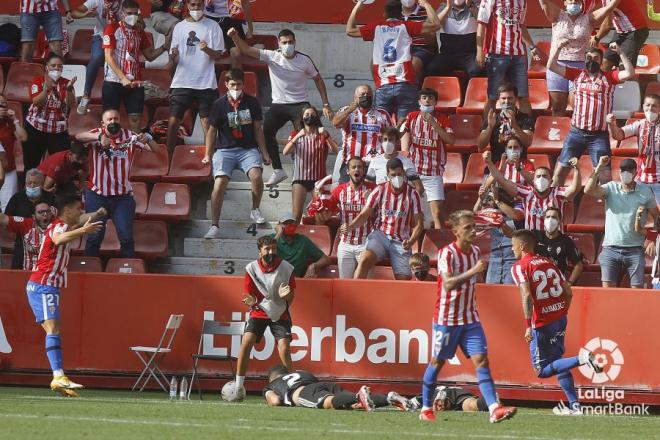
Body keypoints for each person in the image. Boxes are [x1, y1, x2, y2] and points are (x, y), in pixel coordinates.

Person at [420, 210, 516, 422]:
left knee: (481, 361)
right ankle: (426, 408)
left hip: (470, 319)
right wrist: (473, 271)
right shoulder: (447, 253)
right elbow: (448, 283)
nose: (473, 231)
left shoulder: (474, 251)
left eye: (474, 226)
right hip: (447, 320)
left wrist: (475, 272)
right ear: (455, 231)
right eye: (467, 228)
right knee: (437, 362)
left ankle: (494, 409)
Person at [511, 229, 603, 415]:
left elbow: (527, 296)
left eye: (513, 246)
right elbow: (568, 291)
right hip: (559, 318)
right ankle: (575, 406)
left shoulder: (520, 266)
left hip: (541, 323)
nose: (512, 250)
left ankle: (583, 358)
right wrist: (563, 311)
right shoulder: (549, 263)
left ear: (521, 246)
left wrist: (528, 326)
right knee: (558, 362)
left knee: (542, 370)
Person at [227, 27, 334, 187]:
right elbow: (246, 49)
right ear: (279, 43)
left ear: (295, 42)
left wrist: (325, 104)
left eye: (291, 42)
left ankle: (315, 172)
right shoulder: (272, 56)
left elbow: (318, 79)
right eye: (284, 42)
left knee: (311, 134)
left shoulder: (304, 60)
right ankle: (278, 170)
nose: (288, 45)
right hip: (278, 104)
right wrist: (235, 36)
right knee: (265, 132)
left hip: (300, 104)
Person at [26, 193, 103, 396]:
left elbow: (80, 220)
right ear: (67, 210)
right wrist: (84, 230)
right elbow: (59, 239)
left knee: (54, 330)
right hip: (44, 284)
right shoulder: (59, 227)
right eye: (78, 208)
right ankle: (58, 376)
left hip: (46, 286)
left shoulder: (64, 224)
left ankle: (59, 377)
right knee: (53, 329)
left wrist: (97, 215)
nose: (80, 211)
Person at [547, 40, 635, 187]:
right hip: (576, 132)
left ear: (601, 61)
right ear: (585, 60)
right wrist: (558, 48)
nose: (592, 61)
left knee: (605, 177)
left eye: (596, 59)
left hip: (598, 136)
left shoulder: (609, 77)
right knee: (560, 172)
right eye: (589, 58)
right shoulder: (576, 74)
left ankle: (607, 210)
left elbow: (630, 73)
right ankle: (552, 206)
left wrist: (620, 53)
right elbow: (551, 66)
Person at [75, 109, 160, 257]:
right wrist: (99, 136)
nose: (113, 122)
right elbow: (78, 136)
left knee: (126, 237)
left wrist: (148, 139)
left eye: (116, 119)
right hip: (97, 195)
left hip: (122, 197)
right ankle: (88, 270)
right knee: (94, 237)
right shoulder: (97, 133)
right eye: (110, 120)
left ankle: (129, 272)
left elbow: (155, 150)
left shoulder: (130, 136)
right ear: (103, 123)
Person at [202, 68, 270, 238]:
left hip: (248, 149)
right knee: (219, 184)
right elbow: (211, 131)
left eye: (239, 84)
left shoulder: (252, 102)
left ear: (243, 84)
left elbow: (257, 129)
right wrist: (207, 154)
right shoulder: (218, 104)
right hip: (225, 150)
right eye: (232, 84)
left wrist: (265, 152)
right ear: (226, 85)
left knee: (256, 175)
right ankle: (214, 225)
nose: (236, 87)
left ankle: (255, 209)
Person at [346, 0, 441, 120]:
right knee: (404, 126)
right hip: (405, 83)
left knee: (381, 127)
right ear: (401, 14)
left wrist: (357, 7)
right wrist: (427, 5)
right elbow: (436, 24)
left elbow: (349, 30)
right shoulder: (406, 26)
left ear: (384, 14)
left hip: (384, 85)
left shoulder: (376, 27)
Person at [343, 158, 424, 280]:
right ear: (388, 176)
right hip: (381, 235)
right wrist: (350, 226)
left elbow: (419, 224)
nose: (397, 177)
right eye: (393, 175)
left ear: (403, 173)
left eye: (399, 174)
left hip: (401, 241)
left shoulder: (413, 194)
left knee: (404, 279)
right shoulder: (379, 190)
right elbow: (364, 214)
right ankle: (356, 293)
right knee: (364, 261)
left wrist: (411, 241)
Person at [584, 156, 658, 288]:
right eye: (623, 170)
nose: (625, 173)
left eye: (629, 170)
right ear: (619, 172)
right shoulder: (611, 188)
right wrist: (599, 167)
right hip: (610, 248)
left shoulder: (645, 192)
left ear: (635, 172)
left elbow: (657, 217)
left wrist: (652, 239)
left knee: (637, 291)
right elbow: (588, 190)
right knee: (607, 292)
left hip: (635, 249)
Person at [234, 236, 296, 395]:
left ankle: (291, 388)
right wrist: (249, 300)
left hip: (279, 312)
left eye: (274, 249)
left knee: (285, 347)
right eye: (267, 249)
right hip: (259, 310)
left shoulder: (286, 268)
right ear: (259, 252)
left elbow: (291, 297)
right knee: (246, 341)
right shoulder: (251, 268)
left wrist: (287, 295)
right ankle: (239, 386)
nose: (271, 252)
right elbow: (248, 296)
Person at [538, 0, 622, 116]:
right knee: (557, 107)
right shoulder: (558, 14)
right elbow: (544, 3)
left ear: (582, 3)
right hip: (557, 66)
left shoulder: (589, 18)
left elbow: (610, 6)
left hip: (579, 67)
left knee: (577, 105)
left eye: (577, 1)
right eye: (571, 1)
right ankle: (559, 133)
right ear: (565, 2)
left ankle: (577, 132)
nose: (574, 3)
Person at [166, 0, 225, 153]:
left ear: (203, 6)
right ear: (187, 5)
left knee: (208, 125)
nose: (196, 8)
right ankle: (168, 161)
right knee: (173, 123)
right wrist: (174, 56)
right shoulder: (179, 27)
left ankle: (209, 165)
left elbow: (218, 55)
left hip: (206, 84)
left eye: (199, 5)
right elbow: (174, 58)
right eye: (193, 5)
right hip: (181, 83)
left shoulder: (213, 26)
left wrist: (207, 50)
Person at [102, 0, 170, 133]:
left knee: (136, 120)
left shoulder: (140, 32)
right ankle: (110, 150)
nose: (132, 16)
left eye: (135, 13)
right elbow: (108, 56)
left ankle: (135, 150)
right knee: (110, 121)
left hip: (135, 82)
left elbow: (150, 56)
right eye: (128, 13)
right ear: (122, 13)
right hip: (113, 81)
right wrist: (122, 78)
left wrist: (165, 46)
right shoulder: (112, 28)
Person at [484, 151, 581, 231]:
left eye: (545, 176)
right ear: (533, 181)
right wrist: (489, 162)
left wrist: (577, 169)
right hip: (533, 242)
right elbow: (502, 180)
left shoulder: (557, 193)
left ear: (551, 181)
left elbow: (575, 188)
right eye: (538, 176)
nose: (541, 179)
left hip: (555, 242)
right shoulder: (526, 192)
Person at [401, 88, 455, 229]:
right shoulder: (412, 116)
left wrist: (434, 123)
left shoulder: (443, 118)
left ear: (435, 101)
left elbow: (450, 139)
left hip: (433, 173)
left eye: (430, 98)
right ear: (419, 101)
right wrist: (405, 150)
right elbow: (402, 133)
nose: (427, 100)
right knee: (407, 211)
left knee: (437, 213)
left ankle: (439, 246)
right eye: (424, 97)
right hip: (413, 172)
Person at [476, 0, 541, 116]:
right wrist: (479, 51)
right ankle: (487, 130)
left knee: (523, 96)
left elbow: (521, 25)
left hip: (518, 54)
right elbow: (481, 24)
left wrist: (532, 47)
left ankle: (526, 128)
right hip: (496, 54)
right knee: (493, 97)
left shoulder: (522, 2)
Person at [263, 365, 414, 411]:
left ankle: (358, 396)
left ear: (272, 378)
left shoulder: (272, 385)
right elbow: (314, 382)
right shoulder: (302, 372)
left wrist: (269, 396)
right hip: (321, 384)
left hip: (303, 392)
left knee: (329, 402)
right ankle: (389, 398)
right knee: (355, 404)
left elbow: (275, 401)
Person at [282, 106, 339, 223]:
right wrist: (298, 136)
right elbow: (285, 152)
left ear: (317, 118)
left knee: (319, 214)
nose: (310, 117)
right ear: (302, 118)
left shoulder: (322, 134)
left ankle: (318, 240)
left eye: (312, 115)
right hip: (299, 178)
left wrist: (327, 135)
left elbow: (335, 150)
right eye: (307, 115)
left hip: (319, 180)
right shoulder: (295, 133)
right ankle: (294, 238)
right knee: (296, 214)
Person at [22, 53, 75, 175]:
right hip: (36, 128)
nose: (56, 69)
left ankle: (54, 190)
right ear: (46, 67)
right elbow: (37, 102)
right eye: (53, 65)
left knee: (60, 166)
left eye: (60, 66)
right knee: (31, 165)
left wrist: (69, 90)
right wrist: (46, 89)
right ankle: (29, 190)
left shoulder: (66, 83)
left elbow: (70, 104)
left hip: (58, 131)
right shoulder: (38, 81)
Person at [323, 157, 375, 279]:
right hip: (346, 244)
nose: (357, 169)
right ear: (348, 171)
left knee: (366, 284)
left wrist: (369, 202)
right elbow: (325, 217)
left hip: (366, 243)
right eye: (353, 167)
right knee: (345, 283)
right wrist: (320, 205)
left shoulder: (372, 190)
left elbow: (377, 218)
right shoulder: (339, 190)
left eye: (360, 167)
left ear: (364, 171)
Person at [70, 0, 123, 115]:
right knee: (97, 57)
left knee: (121, 62)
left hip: (122, 37)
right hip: (101, 35)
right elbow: (74, 13)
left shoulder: (125, 2)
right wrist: (85, 14)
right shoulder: (96, 1)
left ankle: (123, 97)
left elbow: (140, 21)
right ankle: (86, 95)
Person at [331, 85, 393, 184]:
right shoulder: (346, 111)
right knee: (347, 195)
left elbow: (391, 136)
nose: (365, 96)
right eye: (362, 94)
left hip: (374, 164)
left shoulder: (382, 114)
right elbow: (336, 123)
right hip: (351, 163)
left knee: (373, 196)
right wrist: (350, 109)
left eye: (368, 94)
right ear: (355, 97)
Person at [608, 94, 660, 203]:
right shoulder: (639, 125)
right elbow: (618, 135)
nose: (650, 108)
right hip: (642, 181)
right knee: (640, 216)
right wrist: (612, 124)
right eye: (648, 105)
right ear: (643, 106)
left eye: (654, 106)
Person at [474, 184, 524, 284]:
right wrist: (480, 199)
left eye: (491, 198)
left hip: (512, 260)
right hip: (494, 260)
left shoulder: (519, 206)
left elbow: (516, 216)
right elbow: (474, 217)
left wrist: (497, 201)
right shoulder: (491, 213)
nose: (489, 201)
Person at [5, 169, 55, 269]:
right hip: (22, 244)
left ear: (41, 184)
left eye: (35, 183)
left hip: (47, 243)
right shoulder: (17, 198)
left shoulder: (51, 198)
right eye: (29, 183)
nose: (32, 186)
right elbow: (7, 219)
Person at [425, 0, 482, 81]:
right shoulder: (443, 7)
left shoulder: (475, 6)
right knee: (431, 69)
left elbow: (483, 22)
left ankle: (469, 92)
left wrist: (471, 7)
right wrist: (448, 8)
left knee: (477, 70)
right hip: (447, 54)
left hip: (469, 54)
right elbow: (434, 25)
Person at [477, 83, 533, 163]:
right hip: (497, 165)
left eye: (510, 98)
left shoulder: (525, 118)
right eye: (503, 98)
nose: (507, 101)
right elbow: (481, 145)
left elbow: (528, 142)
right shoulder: (493, 118)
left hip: (519, 165)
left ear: (516, 99)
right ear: (499, 99)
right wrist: (490, 127)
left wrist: (515, 126)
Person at [272, 212, 332, 278]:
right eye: (286, 224)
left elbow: (326, 259)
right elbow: (265, 254)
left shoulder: (303, 240)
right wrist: (278, 234)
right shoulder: (272, 239)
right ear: (279, 225)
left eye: (292, 223)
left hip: (296, 280)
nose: (290, 226)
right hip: (276, 278)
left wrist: (314, 265)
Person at [534, 207, 584, 285]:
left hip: (556, 285)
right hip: (536, 282)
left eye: (554, 217)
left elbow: (578, 265)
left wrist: (569, 282)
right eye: (548, 217)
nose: (550, 220)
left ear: (559, 221)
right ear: (544, 220)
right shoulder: (535, 237)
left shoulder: (566, 241)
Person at [0, 201, 54, 271]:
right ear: (34, 216)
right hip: (27, 274)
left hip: (49, 275)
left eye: (48, 211)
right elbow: (3, 219)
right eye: (40, 212)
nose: (45, 214)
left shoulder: (57, 227)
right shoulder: (26, 224)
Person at [592, 0, 649, 66]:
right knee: (605, 62)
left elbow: (607, 25)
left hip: (635, 31)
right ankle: (606, 76)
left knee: (625, 67)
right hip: (621, 32)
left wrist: (596, 38)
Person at [204, 0, 253, 69]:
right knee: (202, 52)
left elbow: (245, 3)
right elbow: (194, 3)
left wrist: (250, 28)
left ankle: (236, 79)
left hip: (231, 18)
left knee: (236, 54)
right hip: (209, 19)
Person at [0, 93, 28, 210]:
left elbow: (23, 137)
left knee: (8, 207)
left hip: (8, 170)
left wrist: (15, 120)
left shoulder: (9, 121)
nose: (2, 108)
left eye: (4, 105)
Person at [401, 0, 438, 84]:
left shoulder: (426, 11)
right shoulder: (395, 12)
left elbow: (435, 26)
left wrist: (426, 5)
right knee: (375, 61)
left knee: (414, 63)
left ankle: (415, 92)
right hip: (400, 48)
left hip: (422, 48)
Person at [411, 385, 489, 412]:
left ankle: (490, 401)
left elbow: (410, 403)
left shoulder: (425, 395)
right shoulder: (422, 396)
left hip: (451, 393)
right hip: (455, 393)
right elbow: (410, 403)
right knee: (471, 405)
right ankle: (492, 400)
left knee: (470, 405)